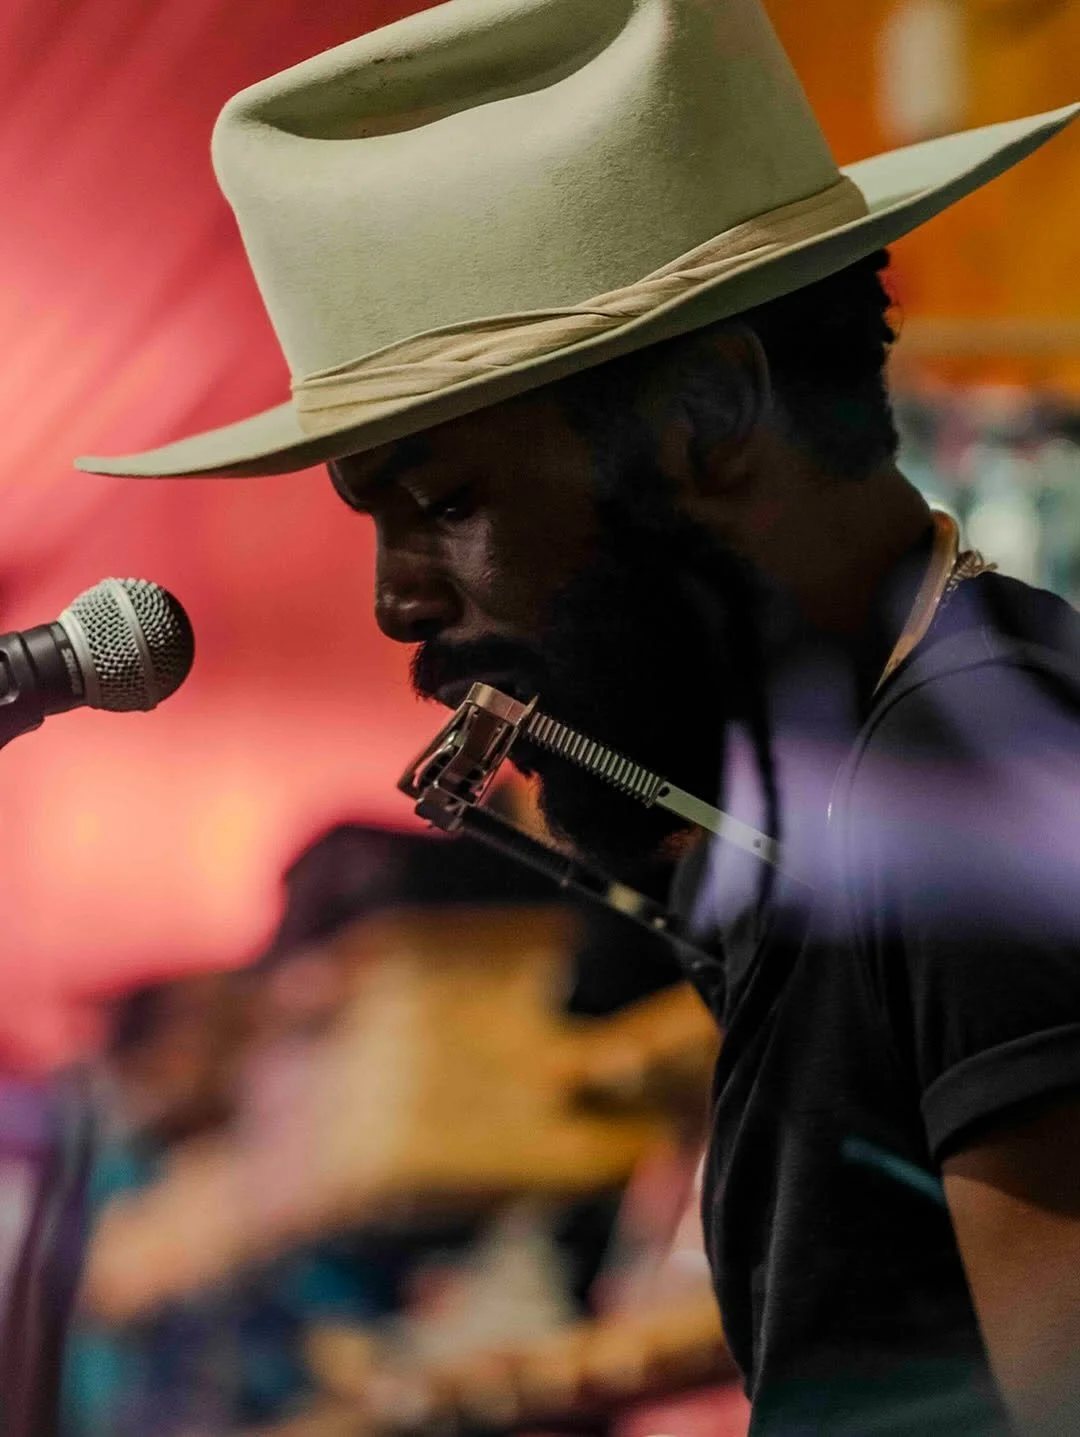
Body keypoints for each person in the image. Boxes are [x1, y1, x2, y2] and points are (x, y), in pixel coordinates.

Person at [76, 0, 1080, 1431]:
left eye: (448, 503)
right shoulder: (858, 811)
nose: (394, 605)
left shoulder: (981, 792)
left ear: (712, 416)